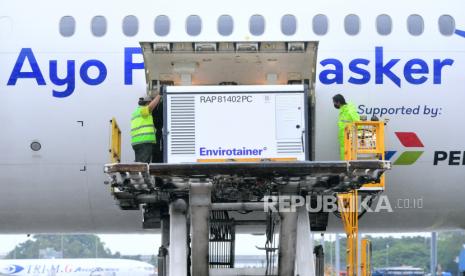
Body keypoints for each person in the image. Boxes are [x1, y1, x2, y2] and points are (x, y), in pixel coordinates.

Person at [131, 94, 161, 163]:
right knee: (143, 165)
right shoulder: (142, 110)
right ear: (147, 103)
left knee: (139, 164)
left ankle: (138, 173)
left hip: (137, 143)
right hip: (144, 142)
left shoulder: (136, 112)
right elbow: (150, 108)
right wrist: (158, 96)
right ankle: (143, 174)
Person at [333, 94, 360, 160]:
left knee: (348, 159)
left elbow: (357, 122)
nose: (334, 104)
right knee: (344, 158)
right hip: (344, 139)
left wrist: (353, 135)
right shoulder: (343, 110)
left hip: (348, 139)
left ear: (338, 102)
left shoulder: (349, 110)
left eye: (334, 102)